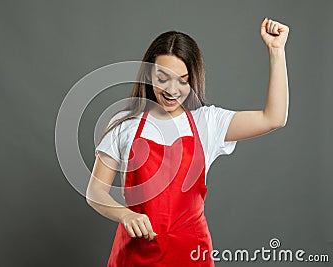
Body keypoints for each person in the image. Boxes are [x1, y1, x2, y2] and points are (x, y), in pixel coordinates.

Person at [86, 17, 289, 267]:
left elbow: (274, 118)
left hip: (191, 256)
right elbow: (95, 192)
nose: (173, 90)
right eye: (163, 78)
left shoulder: (207, 122)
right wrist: (125, 214)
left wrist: (276, 51)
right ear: (149, 74)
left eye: (182, 80)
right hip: (134, 256)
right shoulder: (123, 123)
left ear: (193, 78)